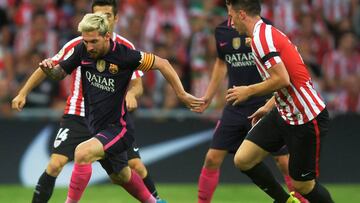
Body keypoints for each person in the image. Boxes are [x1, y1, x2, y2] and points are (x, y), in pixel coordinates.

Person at [11, 1, 166, 202]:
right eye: (98, 15)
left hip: (110, 119)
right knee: (56, 163)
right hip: (77, 114)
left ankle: (157, 200)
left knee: (130, 169)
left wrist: (131, 94)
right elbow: (50, 67)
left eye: (107, 16)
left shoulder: (126, 48)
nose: (102, 20)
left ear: (116, 18)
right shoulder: (79, 45)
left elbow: (137, 83)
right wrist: (23, 92)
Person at [39, 13, 202, 203]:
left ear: (107, 36)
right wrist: (50, 69)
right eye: (86, 41)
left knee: (82, 152)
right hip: (95, 128)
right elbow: (60, 74)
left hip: (118, 128)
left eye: (93, 41)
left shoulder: (125, 56)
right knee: (121, 175)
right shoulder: (82, 50)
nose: (89, 46)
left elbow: (163, 64)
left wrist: (181, 94)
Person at [225, 0, 334, 203]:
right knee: (243, 159)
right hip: (284, 112)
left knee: (304, 185)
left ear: (242, 15)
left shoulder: (261, 39)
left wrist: (248, 91)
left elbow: (282, 79)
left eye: (231, 17)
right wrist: (267, 106)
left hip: (306, 117)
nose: (230, 24)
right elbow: (288, 78)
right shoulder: (263, 35)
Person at [195, 17, 307, 203]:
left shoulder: (264, 28)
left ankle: (301, 200)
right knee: (212, 158)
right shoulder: (221, 31)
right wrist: (209, 95)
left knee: (283, 162)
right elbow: (221, 63)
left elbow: (279, 66)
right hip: (234, 106)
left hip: (262, 105)